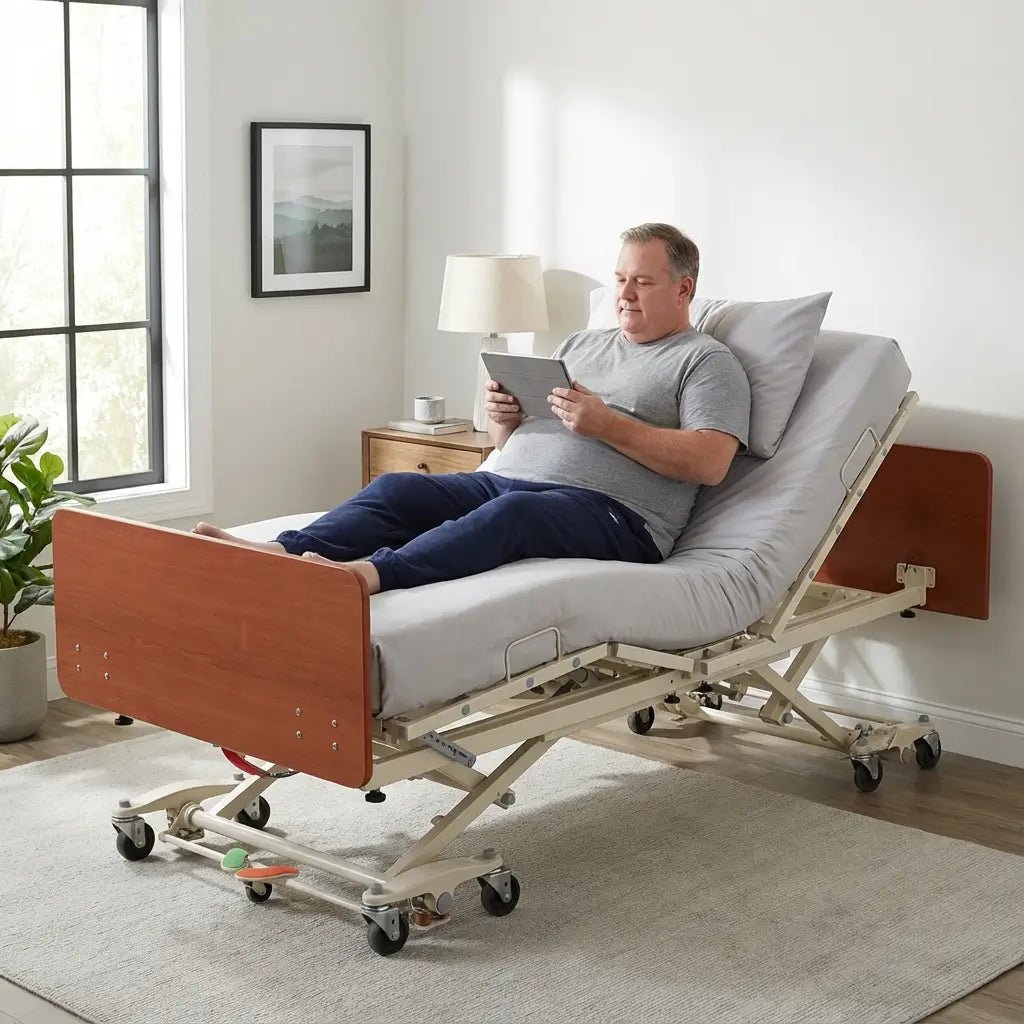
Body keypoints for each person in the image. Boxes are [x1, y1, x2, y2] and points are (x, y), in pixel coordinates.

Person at [194, 223, 751, 594]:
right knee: (400, 489)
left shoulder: (704, 361)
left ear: (683, 290)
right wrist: (506, 422)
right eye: (621, 278)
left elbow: (710, 462)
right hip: (508, 480)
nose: (625, 293)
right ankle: (275, 553)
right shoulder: (582, 343)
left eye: (643, 282)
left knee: (514, 518)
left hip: (615, 517)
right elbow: (514, 443)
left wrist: (607, 425)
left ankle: (362, 579)